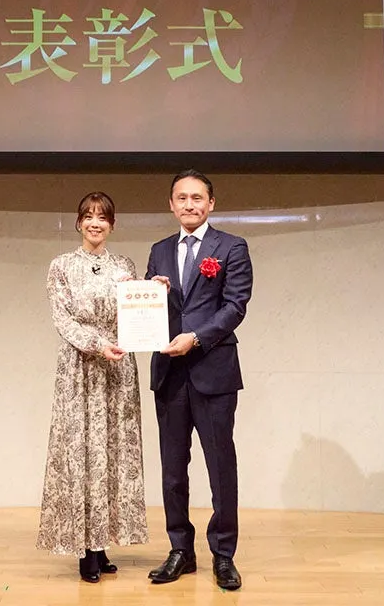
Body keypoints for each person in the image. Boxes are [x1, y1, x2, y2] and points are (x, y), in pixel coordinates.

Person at [144, 170, 253, 591]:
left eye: (197, 198)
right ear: (171, 204)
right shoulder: (159, 250)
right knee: (173, 470)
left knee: (220, 467)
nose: (189, 204)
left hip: (214, 370)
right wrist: (151, 294)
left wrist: (197, 337)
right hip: (169, 373)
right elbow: (151, 311)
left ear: (211, 204)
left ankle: (223, 554)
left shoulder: (231, 247)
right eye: (181, 198)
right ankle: (180, 550)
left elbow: (235, 306)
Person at [36, 191, 148, 583]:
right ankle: (84, 549)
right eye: (88, 216)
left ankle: (102, 544)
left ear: (112, 224)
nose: (95, 223)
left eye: (102, 217)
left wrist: (154, 292)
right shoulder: (62, 266)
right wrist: (97, 344)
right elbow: (62, 319)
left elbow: (136, 310)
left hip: (118, 367)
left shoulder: (124, 265)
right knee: (81, 451)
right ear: (78, 222)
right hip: (80, 366)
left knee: (112, 452)